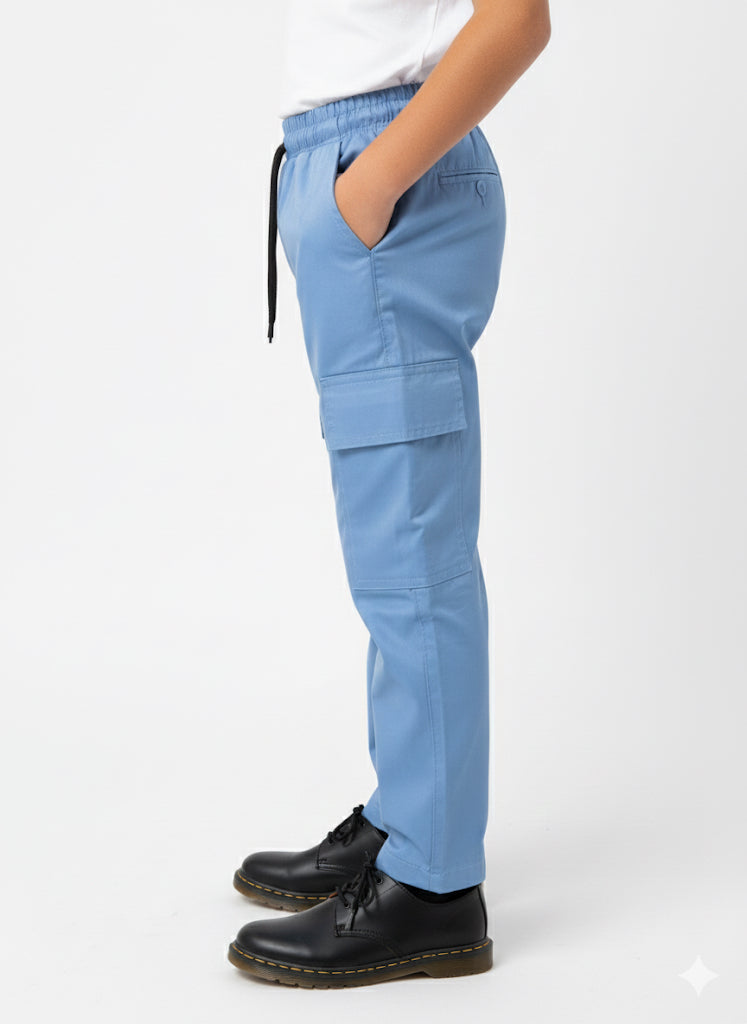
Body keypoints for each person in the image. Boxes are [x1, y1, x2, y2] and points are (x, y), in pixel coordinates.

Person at [228, 0, 551, 988]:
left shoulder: (377, 176)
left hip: (388, 172)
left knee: (412, 552)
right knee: (392, 550)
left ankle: (433, 885)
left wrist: (365, 186)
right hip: (360, 170)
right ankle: (406, 814)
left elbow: (517, 17)